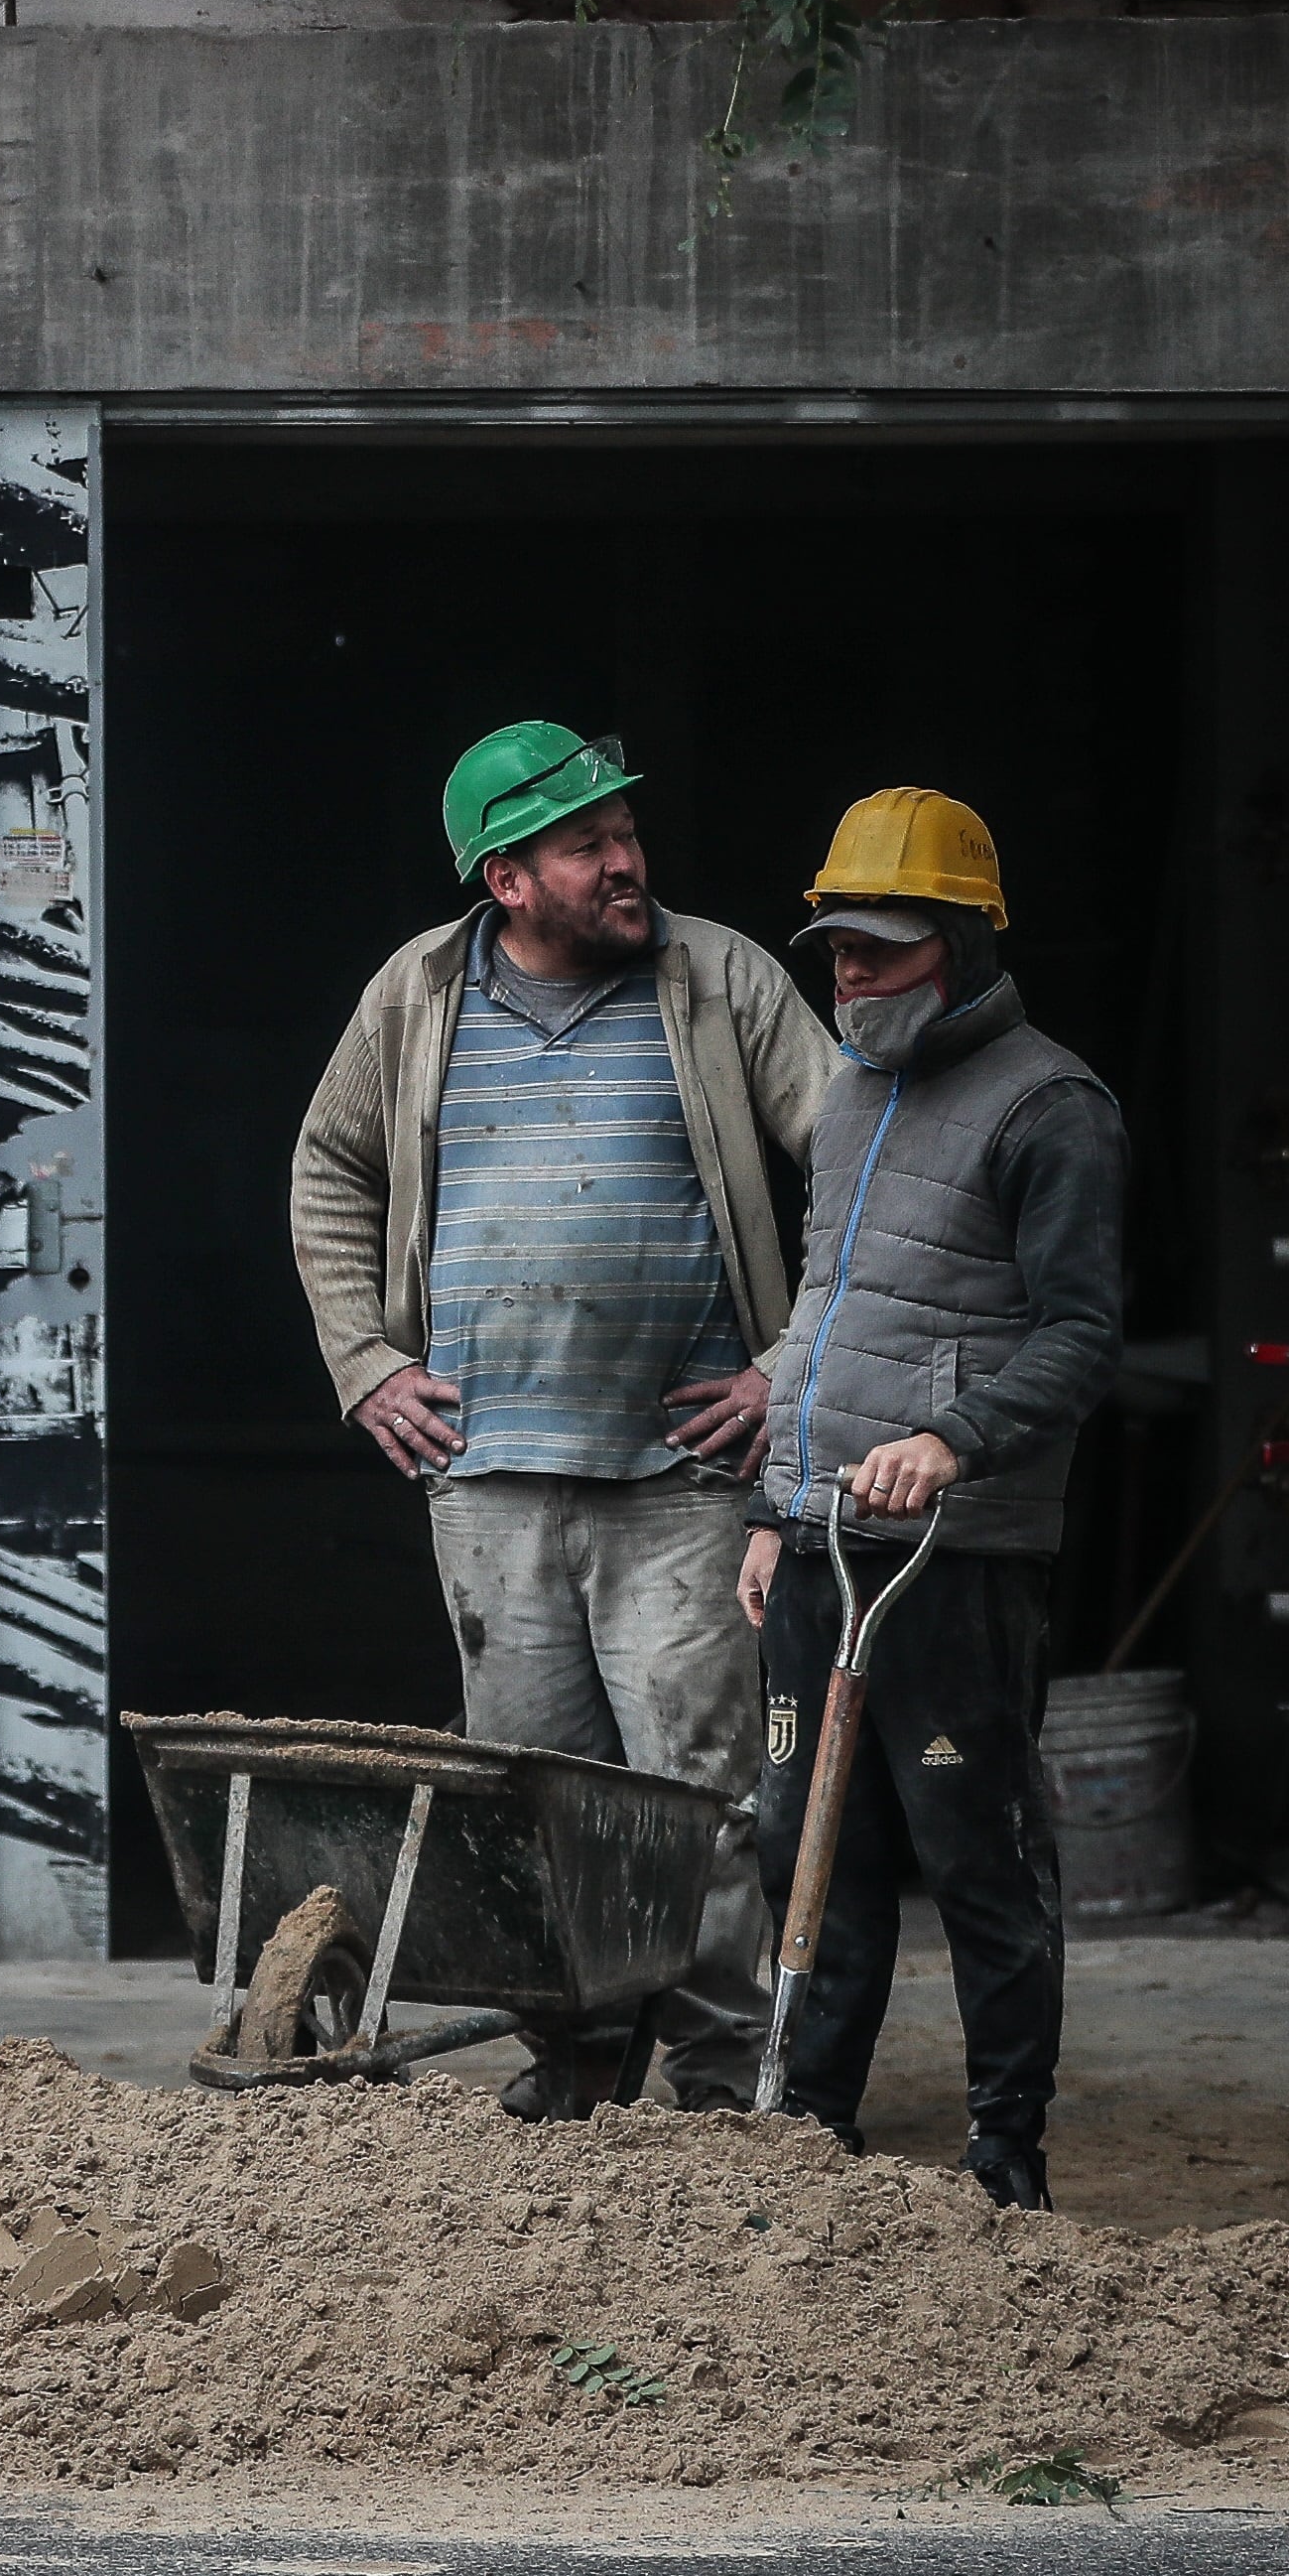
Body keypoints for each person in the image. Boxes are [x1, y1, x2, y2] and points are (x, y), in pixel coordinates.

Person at [291, 720, 841, 2114]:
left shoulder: (720, 979)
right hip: (488, 1488)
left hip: (684, 1482)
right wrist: (364, 1360)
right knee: (534, 1804)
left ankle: (722, 2093)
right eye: (586, 844)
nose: (626, 862)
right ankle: (577, 2070)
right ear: (506, 879)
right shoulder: (417, 996)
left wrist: (788, 1363)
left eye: (627, 834)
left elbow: (856, 1169)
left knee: (700, 1801)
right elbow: (329, 1173)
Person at [740, 786, 1123, 2212]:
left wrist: (956, 1441)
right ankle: (809, 2154)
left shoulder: (1052, 1107)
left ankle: (1005, 2166)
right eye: (838, 948)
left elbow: (1081, 1335)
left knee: (979, 1865)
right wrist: (775, 1510)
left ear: (959, 944)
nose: (851, 975)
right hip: (830, 1537)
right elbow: (825, 1317)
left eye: (882, 951)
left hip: (953, 1559)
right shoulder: (848, 1097)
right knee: (809, 1855)